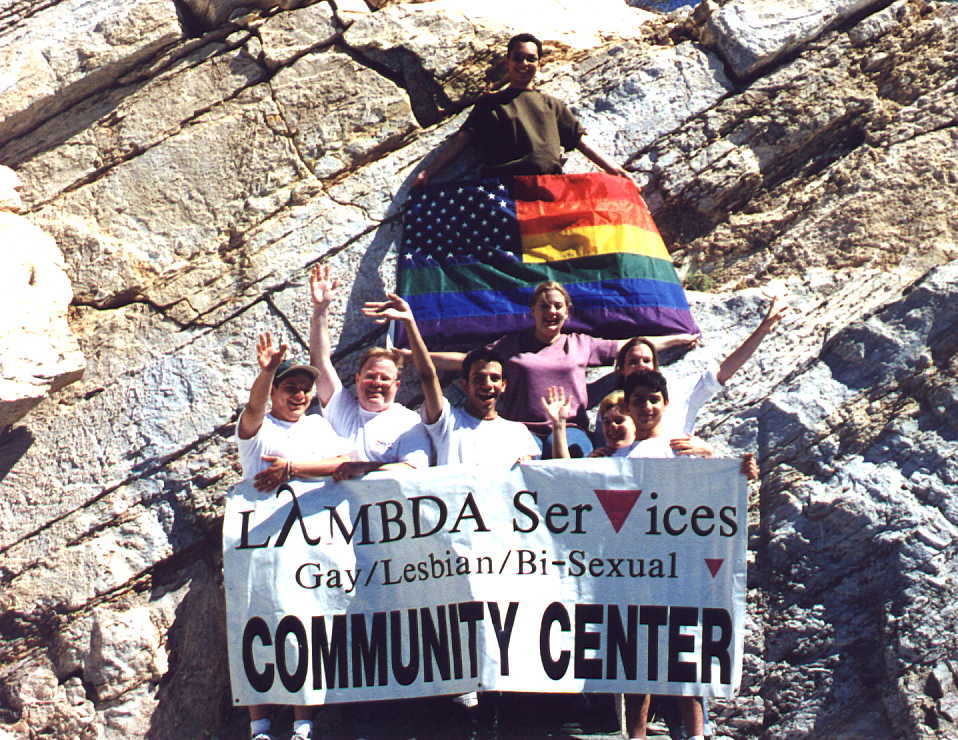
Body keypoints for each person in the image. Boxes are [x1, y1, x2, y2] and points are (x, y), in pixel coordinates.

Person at [546, 370, 757, 740]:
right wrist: (560, 432)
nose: (646, 407)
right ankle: (637, 735)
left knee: (684, 652)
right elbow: (568, 486)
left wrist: (727, 462)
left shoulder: (681, 447)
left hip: (679, 566)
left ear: (665, 403)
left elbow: (724, 484)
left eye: (653, 399)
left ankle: (696, 734)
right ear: (628, 406)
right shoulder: (615, 457)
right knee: (636, 659)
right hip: (632, 571)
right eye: (638, 400)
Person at [235, 332, 355, 740]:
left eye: (305, 389)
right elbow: (253, 407)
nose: (300, 396)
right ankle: (260, 726)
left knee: (308, 628)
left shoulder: (318, 426)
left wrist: (293, 469)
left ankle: (303, 724)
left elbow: (344, 463)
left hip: (310, 546)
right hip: (262, 546)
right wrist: (267, 371)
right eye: (290, 388)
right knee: (258, 626)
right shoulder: (258, 429)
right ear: (274, 392)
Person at [425, 281, 697, 457]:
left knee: (577, 474)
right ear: (533, 311)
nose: (551, 312)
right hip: (523, 429)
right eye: (544, 306)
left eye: (558, 306)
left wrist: (677, 339)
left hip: (571, 427)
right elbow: (468, 360)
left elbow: (630, 347)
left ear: (567, 312)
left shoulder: (580, 344)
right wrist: (416, 355)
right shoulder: (512, 344)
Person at [413, 33, 630, 184]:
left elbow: (580, 140)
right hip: (505, 192)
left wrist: (615, 170)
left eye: (531, 59)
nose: (524, 64)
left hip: (550, 189)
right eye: (517, 58)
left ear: (539, 63)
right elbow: (462, 140)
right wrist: (428, 173)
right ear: (507, 61)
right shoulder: (489, 104)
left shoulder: (553, 105)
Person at [308, 265, 432, 481]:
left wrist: (365, 468)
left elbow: (414, 470)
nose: (377, 383)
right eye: (371, 376)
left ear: (397, 385)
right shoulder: (343, 410)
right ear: (358, 379)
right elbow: (320, 362)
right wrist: (320, 310)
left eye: (385, 378)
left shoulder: (409, 423)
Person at [605, 292, 788, 438]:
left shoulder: (679, 390)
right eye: (633, 361)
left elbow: (724, 371)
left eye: (647, 360)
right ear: (622, 369)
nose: (641, 366)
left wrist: (763, 329)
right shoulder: (612, 406)